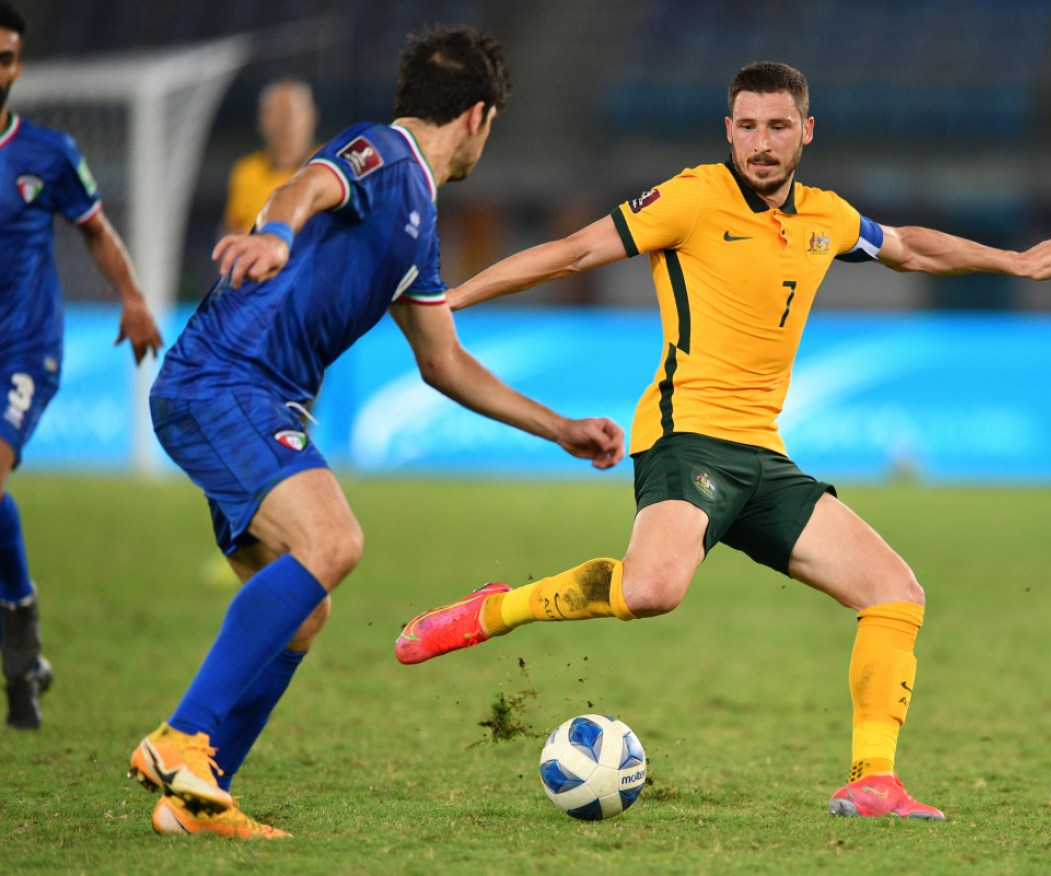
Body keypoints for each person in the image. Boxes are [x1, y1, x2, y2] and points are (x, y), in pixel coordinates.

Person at [396, 61, 1051, 820]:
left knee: (895, 592)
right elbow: (570, 251)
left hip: (762, 456)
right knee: (653, 590)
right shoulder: (692, 198)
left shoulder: (826, 217)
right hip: (686, 435)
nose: (760, 144)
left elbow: (911, 248)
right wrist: (449, 298)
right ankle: (497, 610)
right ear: (726, 129)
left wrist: (1015, 261)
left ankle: (874, 780)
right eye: (746, 126)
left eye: (776, 127)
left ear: (805, 130)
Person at [126, 25, 624, 840]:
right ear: (477, 117)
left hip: (254, 399)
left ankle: (195, 798)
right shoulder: (381, 153)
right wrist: (277, 234)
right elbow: (305, 188)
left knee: (303, 610)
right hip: (226, 383)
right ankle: (180, 739)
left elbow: (444, 363)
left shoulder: (420, 226)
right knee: (334, 542)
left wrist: (558, 428)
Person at [0, 0, 162, 730]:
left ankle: (20, 632)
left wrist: (131, 296)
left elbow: (96, 230)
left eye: (6, 59)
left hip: (26, 346)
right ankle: (23, 633)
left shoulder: (50, 153)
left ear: (18, 67)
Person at [222, 78, 317, 235]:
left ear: (311, 117)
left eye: (290, 113)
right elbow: (232, 228)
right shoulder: (246, 172)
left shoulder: (327, 166)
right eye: (276, 112)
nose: (284, 122)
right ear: (262, 119)